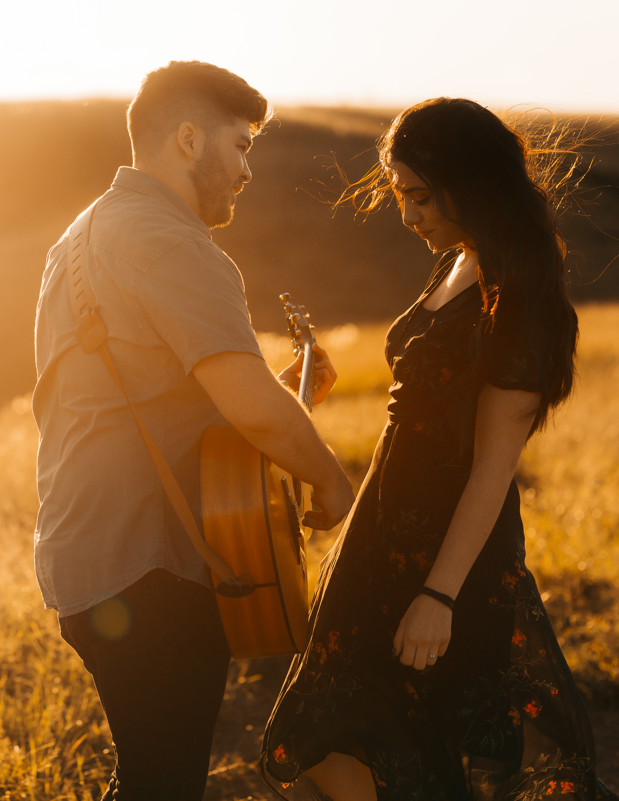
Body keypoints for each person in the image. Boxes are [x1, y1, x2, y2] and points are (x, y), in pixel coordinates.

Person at [260, 98, 617, 800]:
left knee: (375, 743)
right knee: (323, 742)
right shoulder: (458, 262)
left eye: (420, 196)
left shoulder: (519, 294)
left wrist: (438, 594)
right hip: (379, 541)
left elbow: (493, 467)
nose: (407, 215)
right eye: (400, 195)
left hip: (445, 559)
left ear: (471, 183)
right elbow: (420, 412)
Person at [32, 61, 355, 800]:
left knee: (152, 776)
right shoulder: (173, 242)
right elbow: (249, 409)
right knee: (162, 783)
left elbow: (144, 396)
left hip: (87, 556)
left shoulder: (79, 237)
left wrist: (284, 398)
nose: (247, 171)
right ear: (187, 140)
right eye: (240, 146)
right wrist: (331, 480)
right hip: (153, 565)